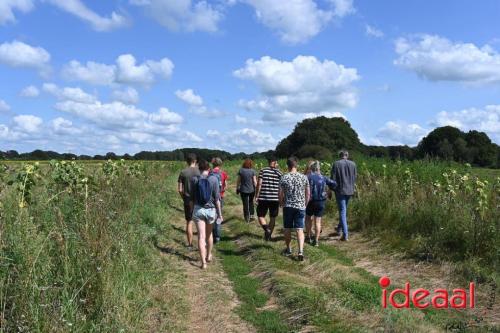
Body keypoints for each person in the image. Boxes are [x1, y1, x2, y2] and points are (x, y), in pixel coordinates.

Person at [192, 159, 223, 269]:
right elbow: (217, 199)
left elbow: (192, 198)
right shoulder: (214, 179)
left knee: (201, 236)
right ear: (209, 169)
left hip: (198, 210)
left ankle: (203, 263)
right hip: (210, 210)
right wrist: (219, 214)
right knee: (209, 235)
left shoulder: (194, 180)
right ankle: (209, 255)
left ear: (199, 169)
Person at [279, 156, 310, 261]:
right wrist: (305, 203)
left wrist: (281, 202)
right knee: (299, 229)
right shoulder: (304, 177)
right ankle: (300, 251)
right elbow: (308, 193)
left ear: (288, 166)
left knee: (287, 228)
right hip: (300, 206)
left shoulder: (284, 177)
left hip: (288, 206)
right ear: (296, 165)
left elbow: (280, 193)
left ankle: (288, 249)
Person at [305, 161, 336, 246]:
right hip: (321, 201)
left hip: (310, 201)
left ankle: (308, 237)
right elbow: (334, 184)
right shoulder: (324, 177)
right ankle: (316, 240)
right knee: (318, 221)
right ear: (319, 168)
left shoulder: (307, 177)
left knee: (308, 218)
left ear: (312, 168)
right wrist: (329, 190)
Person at [330, 150, 357, 241]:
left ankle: (345, 235)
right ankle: (339, 228)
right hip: (350, 190)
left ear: (340, 156)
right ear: (347, 155)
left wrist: (332, 189)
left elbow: (332, 179)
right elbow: (355, 177)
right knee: (344, 209)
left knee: (342, 211)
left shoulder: (336, 164)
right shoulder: (353, 164)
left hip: (340, 190)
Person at [255, 156, 282, 241]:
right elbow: (281, 187)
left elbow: (259, 184)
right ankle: (268, 236)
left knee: (260, 215)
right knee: (273, 217)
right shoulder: (279, 173)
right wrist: (281, 198)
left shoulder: (263, 170)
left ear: (269, 162)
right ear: (275, 162)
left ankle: (266, 229)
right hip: (275, 199)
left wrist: (257, 195)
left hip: (263, 197)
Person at [177, 153, 200, 250]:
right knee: (200, 223)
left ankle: (190, 245)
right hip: (199, 200)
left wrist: (184, 198)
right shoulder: (200, 172)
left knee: (189, 222)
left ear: (187, 161)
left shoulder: (183, 172)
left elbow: (180, 189)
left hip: (188, 200)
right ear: (195, 161)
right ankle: (201, 244)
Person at [210, 157, 228, 244]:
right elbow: (225, 186)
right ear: (220, 164)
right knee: (218, 216)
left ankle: (211, 234)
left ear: (213, 164)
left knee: (211, 216)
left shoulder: (210, 173)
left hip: (210, 198)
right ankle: (217, 237)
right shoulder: (223, 173)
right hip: (220, 197)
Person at [236, 158, 257, 223]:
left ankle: (246, 218)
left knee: (245, 204)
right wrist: (257, 188)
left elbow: (238, 181)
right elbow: (254, 181)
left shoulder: (241, 170)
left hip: (243, 190)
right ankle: (252, 216)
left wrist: (237, 188)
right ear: (251, 164)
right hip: (252, 190)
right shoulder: (253, 171)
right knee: (251, 203)